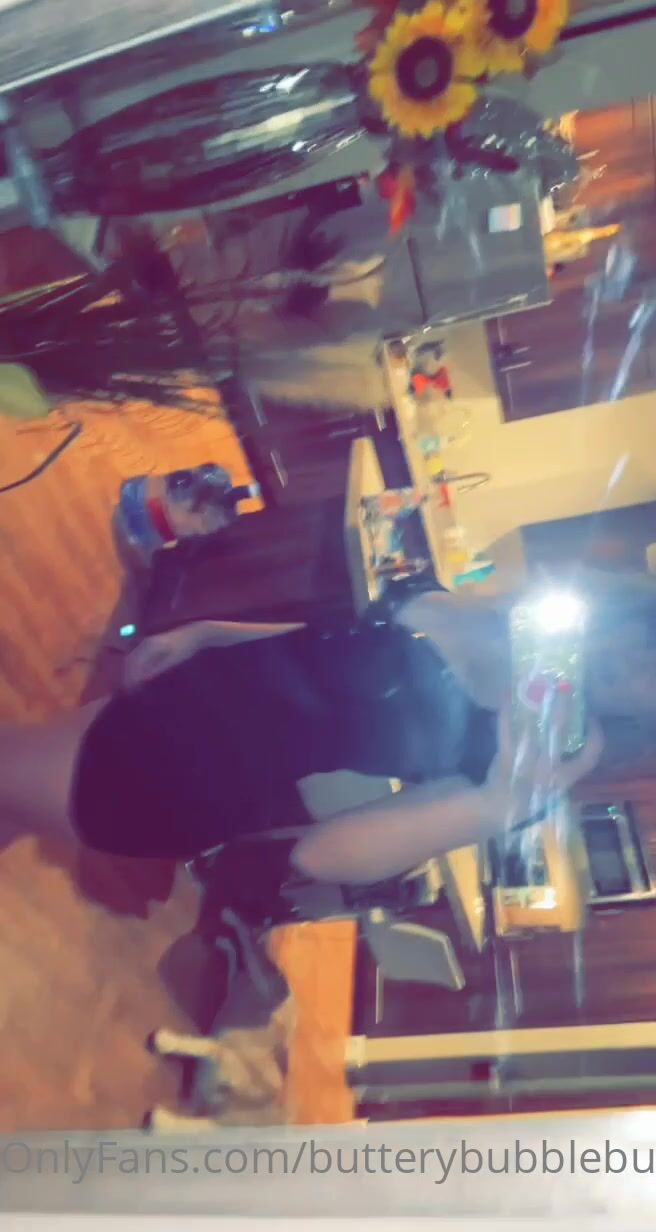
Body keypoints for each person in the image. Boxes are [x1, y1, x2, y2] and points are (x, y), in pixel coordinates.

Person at [1, 570, 654, 889]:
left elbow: (322, 856)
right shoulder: (519, 614)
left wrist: (497, 802)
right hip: (173, 704)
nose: (635, 664)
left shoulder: (544, 759)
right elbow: (329, 649)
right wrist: (208, 635)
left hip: (167, 773)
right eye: (650, 642)